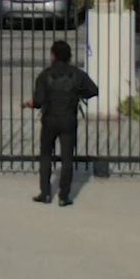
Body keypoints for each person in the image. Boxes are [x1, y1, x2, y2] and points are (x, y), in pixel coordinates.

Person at [22, 40, 99, 207]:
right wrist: (79, 94)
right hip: (69, 120)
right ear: (69, 56)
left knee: (45, 156)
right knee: (67, 158)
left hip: (49, 120)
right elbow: (94, 90)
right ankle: (64, 196)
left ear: (53, 55)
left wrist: (31, 103)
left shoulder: (45, 75)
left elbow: (39, 100)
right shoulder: (77, 74)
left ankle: (45, 193)